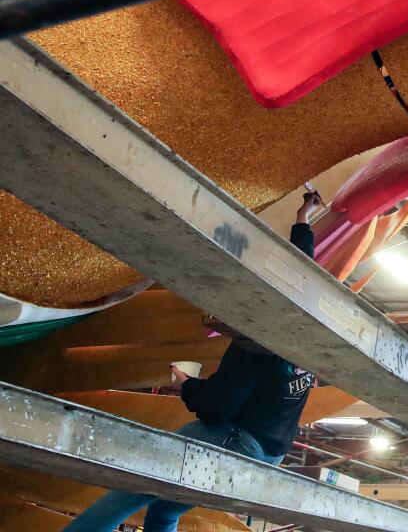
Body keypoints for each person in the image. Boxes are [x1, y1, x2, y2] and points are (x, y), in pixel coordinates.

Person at [65, 191, 323, 532]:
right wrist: (303, 217)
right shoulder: (300, 328)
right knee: (164, 512)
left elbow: (218, 405)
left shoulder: (253, 345)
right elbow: (300, 267)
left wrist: (186, 385)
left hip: (233, 442)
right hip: (268, 455)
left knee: (128, 492)